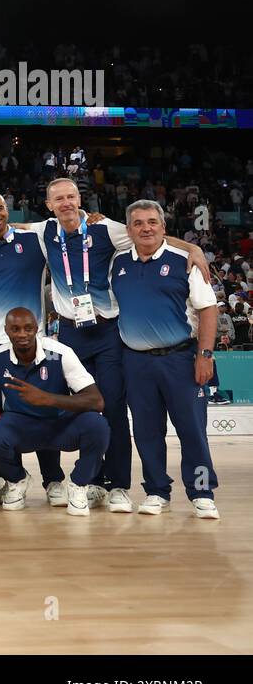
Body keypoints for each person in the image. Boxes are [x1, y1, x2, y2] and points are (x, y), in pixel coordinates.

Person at [29, 178, 210, 512]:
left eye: (71, 196)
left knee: (113, 408)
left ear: (80, 198)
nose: (66, 203)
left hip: (108, 333)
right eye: (59, 199)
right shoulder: (43, 231)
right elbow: (4, 227)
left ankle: (120, 486)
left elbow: (150, 236)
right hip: (70, 334)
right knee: (83, 407)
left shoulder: (108, 228)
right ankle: (94, 481)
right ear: (49, 204)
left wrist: (192, 248)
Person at [110, 199, 221, 519]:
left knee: (192, 430)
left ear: (163, 227)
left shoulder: (185, 260)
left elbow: (208, 310)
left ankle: (202, 491)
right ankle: (157, 491)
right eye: (138, 223)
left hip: (181, 359)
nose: (146, 228)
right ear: (128, 230)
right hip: (136, 362)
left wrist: (205, 355)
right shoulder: (118, 262)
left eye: (152, 222)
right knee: (146, 432)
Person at [0, 191, 65, 503]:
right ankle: (9, 478)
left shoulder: (35, 241)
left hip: (33, 341)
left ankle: (54, 480)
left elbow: (64, 220)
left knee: (43, 409)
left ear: (9, 210)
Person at [0, 307, 109, 516]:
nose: (22, 334)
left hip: (60, 425)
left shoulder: (61, 352)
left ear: (37, 328)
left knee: (98, 425)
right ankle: (17, 480)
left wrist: (48, 399)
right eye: (15, 329)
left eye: (28, 328)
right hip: (22, 426)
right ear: (6, 331)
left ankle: (78, 485)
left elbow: (96, 401)